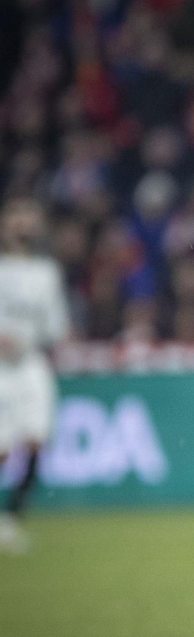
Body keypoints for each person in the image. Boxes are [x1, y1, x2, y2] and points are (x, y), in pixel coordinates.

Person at [0, 198, 70, 554]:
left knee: (37, 441)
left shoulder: (47, 272)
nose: (23, 223)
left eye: (29, 216)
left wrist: (40, 338)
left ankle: (10, 520)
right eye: (16, 216)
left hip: (30, 364)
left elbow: (55, 326)